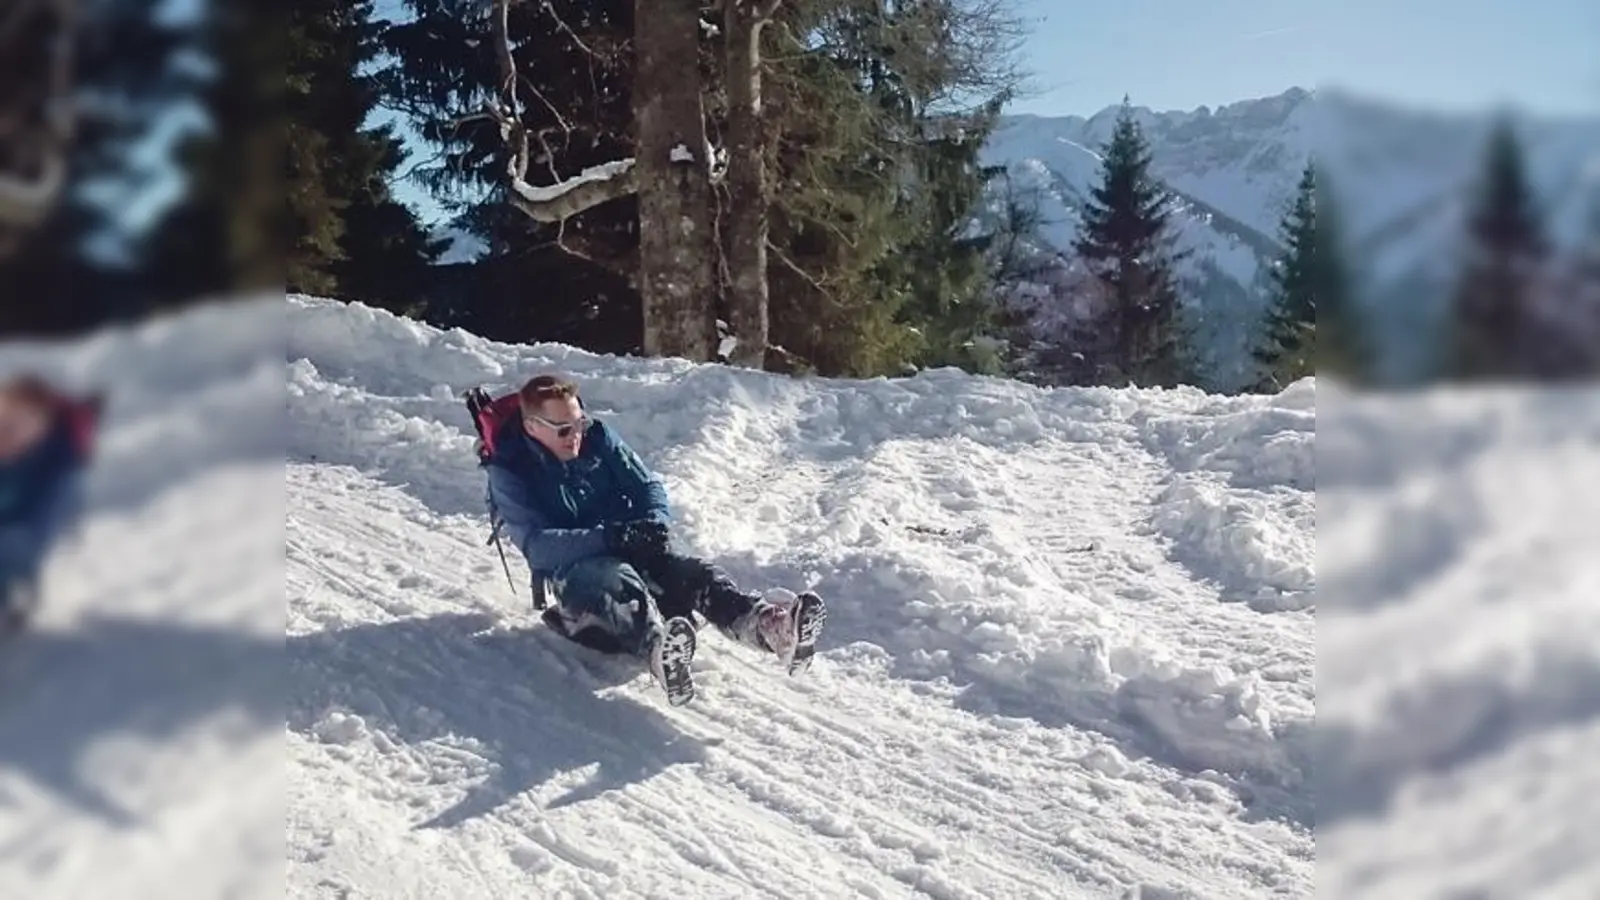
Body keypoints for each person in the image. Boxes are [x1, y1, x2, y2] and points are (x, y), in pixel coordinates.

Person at [478, 373, 825, 705]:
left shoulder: (597, 437)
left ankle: (769, 627)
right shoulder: (510, 471)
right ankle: (661, 654)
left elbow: (647, 485)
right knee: (617, 582)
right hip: (578, 571)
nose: (575, 436)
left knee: (693, 574)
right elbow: (538, 547)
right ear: (532, 427)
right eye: (564, 429)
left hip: (630, 544)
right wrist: (611, 538)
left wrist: (654, 523)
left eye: (579, 423)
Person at [0, 374, 98, 633]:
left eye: (15, 426)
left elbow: (47, 519)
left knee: (8, 547)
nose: (4, 432)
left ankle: (15, 597)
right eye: (1, 421)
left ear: (40, 433)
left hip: (25, 536)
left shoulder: (53, 471)